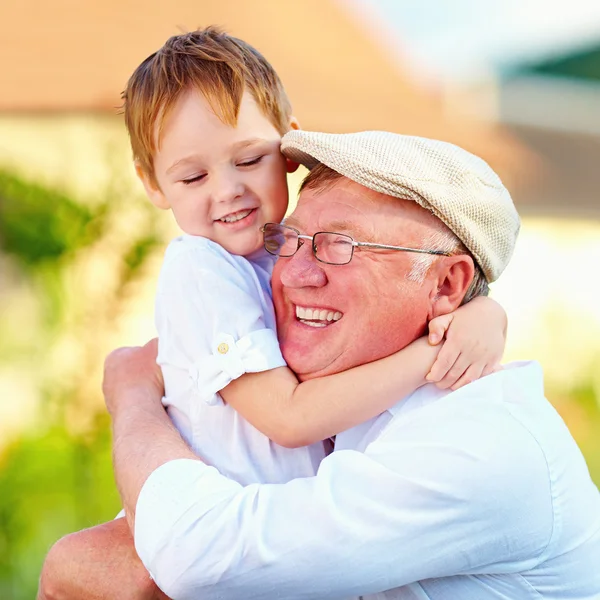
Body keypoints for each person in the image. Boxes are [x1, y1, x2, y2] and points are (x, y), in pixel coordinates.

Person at [39, 131, 600, 599]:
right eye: (291, 240)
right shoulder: (356, 396)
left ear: (447, 284)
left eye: (340, 246)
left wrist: (133, 394)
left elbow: (197, 556)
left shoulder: (480, 443)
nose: (293, 275)